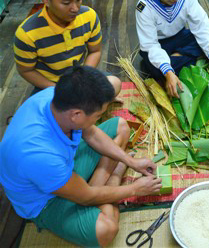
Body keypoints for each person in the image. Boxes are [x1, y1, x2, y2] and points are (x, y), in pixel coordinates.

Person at [0, 66, 162, 246]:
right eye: (98, 115)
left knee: (122, 127)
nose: (99, 119)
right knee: (106, 231)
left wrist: (130, 161)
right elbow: (86, 197)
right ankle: (114, 177)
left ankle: (96, 186)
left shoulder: (54, 97)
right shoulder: (39, 155)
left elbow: (90, 133)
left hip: (64, 167)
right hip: (45, 200)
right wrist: (134, 189)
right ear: (76, 115)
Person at [13, 0, 121, 97]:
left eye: (78, 0)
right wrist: (58, 89)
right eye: (66, 3)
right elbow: (26, 71)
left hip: (81, 78)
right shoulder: (27, 34)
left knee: (114, 84)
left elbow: (95, 51)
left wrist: (83, 78)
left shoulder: (89, 16)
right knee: (41, 112)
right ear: (46, 0)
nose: (75, 8)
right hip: (51, 87)